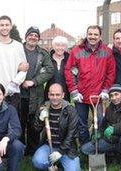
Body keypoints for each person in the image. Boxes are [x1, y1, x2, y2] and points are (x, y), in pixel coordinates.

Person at [64, 25, 116, 146]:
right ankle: (85, 148)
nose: (93, 37)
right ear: (86, 35)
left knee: (101, 122)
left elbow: (111, 72)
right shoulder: (77, 51)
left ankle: (99, 146)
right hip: (81, 95)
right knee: (81, 123)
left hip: (98, 95)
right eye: (90, 34)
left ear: (100, 36)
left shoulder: (106, 52)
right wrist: (74, 91)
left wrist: (106, 89)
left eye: (95, 34)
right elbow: (69, 70)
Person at [81, 84, 121, 171]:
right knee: (85, 149)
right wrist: (98, 133)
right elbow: (103, 124)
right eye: (111, 96)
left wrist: (115, 128)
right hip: (111, 140)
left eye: (116, 94)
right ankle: (112, 155)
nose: (114, 98)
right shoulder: (110, 109)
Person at [20, 26, 54, 155]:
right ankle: (20, 148)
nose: (33, 37)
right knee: (20, 123)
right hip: (19, 95)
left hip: (36, 95)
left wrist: (34, 81)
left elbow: (50, 70)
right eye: (31, 35)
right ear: (26, 36)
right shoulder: (18, 50)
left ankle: (32, 150)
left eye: (36, 35)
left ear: (38, 39)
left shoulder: (43, 54)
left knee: (34, 124)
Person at [0, 15, 28, 110]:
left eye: (7, 25)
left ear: (11, 26)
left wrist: (13, 84)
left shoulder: (18, 46)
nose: (4, 27)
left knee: (12, 123)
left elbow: (24, 69)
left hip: (12, 93)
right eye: (2, 25)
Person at [32, 83, 80, 171]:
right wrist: (40, 120)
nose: (54, 97)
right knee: (37, 162)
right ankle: (52, 166)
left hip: (67, 149)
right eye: (52, 94)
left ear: (63, 95)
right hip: (48, 146)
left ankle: (59, 162)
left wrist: (60, 151)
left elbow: (71, 134)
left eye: (57, 95)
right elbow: (36, 129)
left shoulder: (71, 110)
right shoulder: (43, 108)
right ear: (48, 95)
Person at [44, 36, 71, 102]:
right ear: (53, 46)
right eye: (57, 45)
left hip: (65, 93)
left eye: (63, 46)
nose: (60, 48)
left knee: (65, 110)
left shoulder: (70, 59)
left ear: (66, 47)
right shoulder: (47, 59)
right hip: (50, 93)